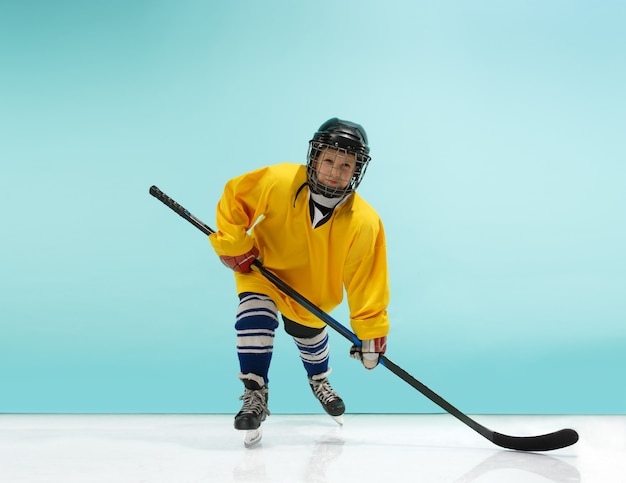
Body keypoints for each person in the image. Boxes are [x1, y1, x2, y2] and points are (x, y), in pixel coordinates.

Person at [208, 117, 390, 435]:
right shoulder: (279, 180)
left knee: (310, 338)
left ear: (357, 171)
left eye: (345, 166)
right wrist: (235, 243)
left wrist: (370, 330)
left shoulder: (365, 221)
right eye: (329, 161)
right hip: (265, 272)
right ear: (314, 158)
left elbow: (368, 279)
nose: (335, 171)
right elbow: (235, 197)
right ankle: (255, 393)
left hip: (313, 291)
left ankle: (319, 379)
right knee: (253, 314)